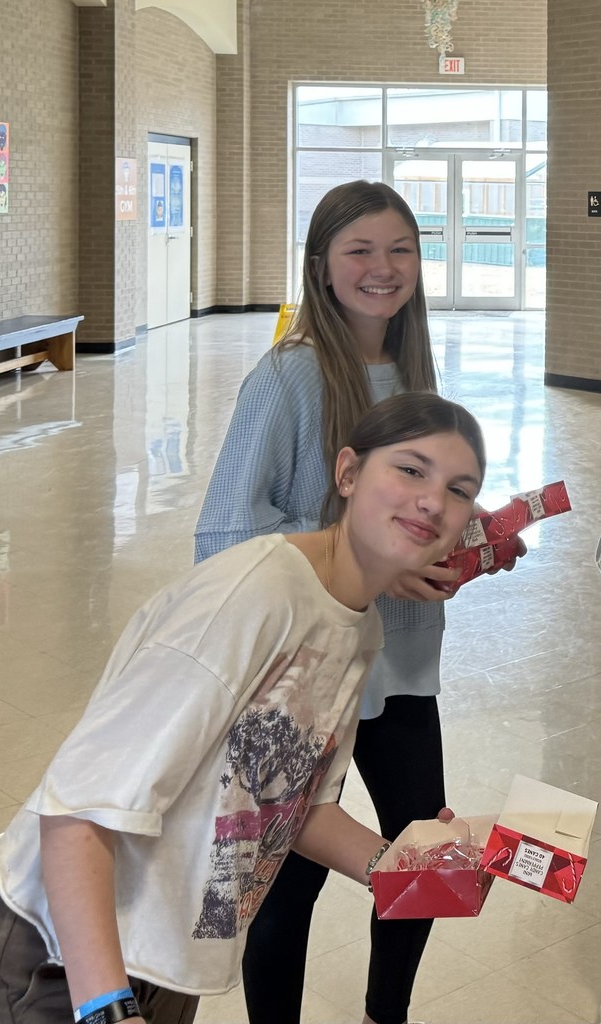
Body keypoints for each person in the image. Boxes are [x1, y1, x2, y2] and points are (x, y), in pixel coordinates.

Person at [0, 392, 486, 1024]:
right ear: (349, 473)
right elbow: (77, 811)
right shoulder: (252, 597)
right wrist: (108, 1009)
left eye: (459, 488)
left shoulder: (358, 629)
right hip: (50, 964)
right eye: (411, 470)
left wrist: (404, 870)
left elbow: (290, 804)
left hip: (161, 964)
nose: (432, 501)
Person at [194, 180, 462, 1024]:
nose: (383, 269)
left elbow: (414, 507)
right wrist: (375, 557)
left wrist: (469, 535)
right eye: (360, 250)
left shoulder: (416, 372)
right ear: (321, 266)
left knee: (421, 861)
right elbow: (223, 530)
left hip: (404, 667)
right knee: (287, 886)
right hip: (311, 675)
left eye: (401, 250)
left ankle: (390, 1015)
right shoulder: (289, 377)